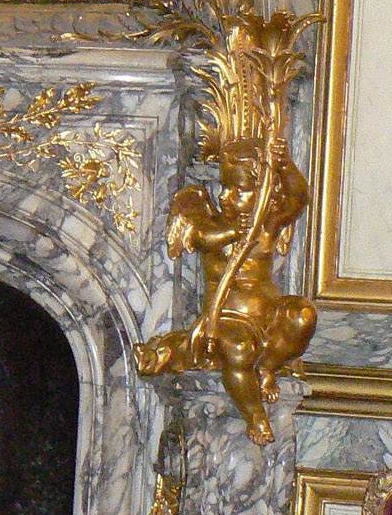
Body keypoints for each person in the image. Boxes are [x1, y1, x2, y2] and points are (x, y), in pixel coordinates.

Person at [135, 136, 316, 445]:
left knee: (303, 316)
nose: (226, 197)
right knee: (239, 350)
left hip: (268, 315)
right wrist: (234, 232)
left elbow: (299, 199)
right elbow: (202, 238)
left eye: (238, 190)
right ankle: (255, 415)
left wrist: (284, 164)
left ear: (261, 193)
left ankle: (268, 367)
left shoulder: (267, 224)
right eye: (224, 187)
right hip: (226, 319)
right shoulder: (212, 222)